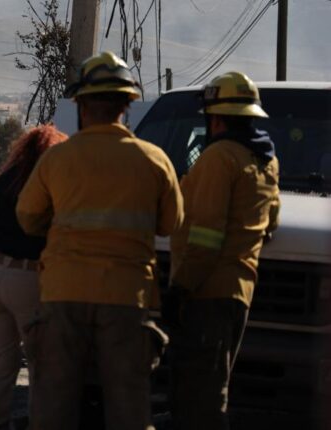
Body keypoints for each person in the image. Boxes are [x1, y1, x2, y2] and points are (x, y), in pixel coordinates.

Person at [15, 51, 183, 430]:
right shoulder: (154, 160)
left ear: (82, 105)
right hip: (127, 298)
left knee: (54, 404)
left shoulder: (58, 159)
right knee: (128, 405)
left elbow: (27, 217)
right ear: (126, 105)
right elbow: (172, 223)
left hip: (63, 294)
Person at [162, 71, 280, 430]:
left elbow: (207, 235)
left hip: (207, 293)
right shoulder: (266, 161)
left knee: (200, 398)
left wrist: (181, 287)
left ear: (216, 118)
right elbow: (269, 224)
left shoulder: (219, 158)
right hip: (239, 291)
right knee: (215, 387)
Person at [0, 125, 67, 430]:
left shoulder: (6, 180)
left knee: (3, 363)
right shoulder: (48, 182)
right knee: (42, 365)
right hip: (27, 278)